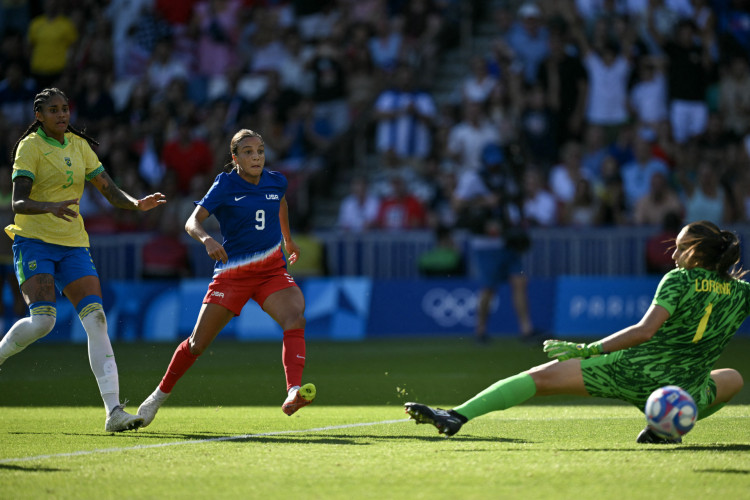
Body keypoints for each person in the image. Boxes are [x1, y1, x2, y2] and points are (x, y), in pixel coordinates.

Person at [405, 220, 747, 443]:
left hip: (630, 372)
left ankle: (454, 415)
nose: (672, 254)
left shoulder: (680, 280)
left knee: (538, 378)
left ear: (697, 253)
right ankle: (665, 425)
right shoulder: (742, 293)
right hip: (684, 388)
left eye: (680, 247)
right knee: (733, 378)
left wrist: (589, 350)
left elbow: (645, 331)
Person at [0, 88, 167, 432]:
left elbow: (107, 188)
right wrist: (49, 207)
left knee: (97, 320)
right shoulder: (29, 147)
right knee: (43, 322)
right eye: (54, 110)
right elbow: (17, 202)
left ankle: (113, 412)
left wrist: (136, 204)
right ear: (39, 116)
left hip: (73, 244)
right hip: (34, 242)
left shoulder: (79, 145)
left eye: (65, 108)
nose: (62, 115)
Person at [136, 129, 316, 427]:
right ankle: (156, 397)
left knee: (295, 317)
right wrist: (207, 240)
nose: (256, 156)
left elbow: (280, 202)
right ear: (235, 158)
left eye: (260, 150)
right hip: (232, 275)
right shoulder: (225, 184)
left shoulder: (276, 180)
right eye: (248, 152)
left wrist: (288, 239)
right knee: (196, 344)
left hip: (271, 271)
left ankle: (293, 391)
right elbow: (192, 221)